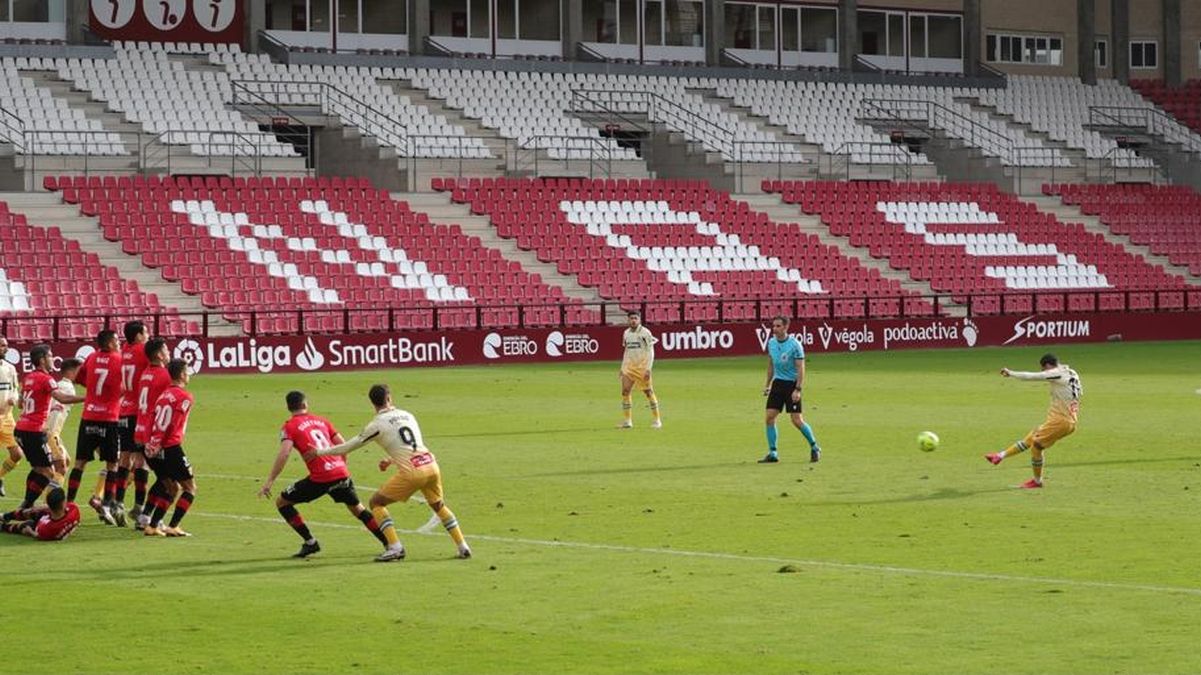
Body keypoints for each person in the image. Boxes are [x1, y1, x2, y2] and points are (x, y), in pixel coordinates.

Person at [313, 384, 471, 562]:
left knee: (376, 502)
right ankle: (462, 546)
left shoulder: (377, 425)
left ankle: (395, 547)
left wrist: (319, 452)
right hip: (431, 464)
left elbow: (349, 446)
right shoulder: (408, 415)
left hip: (412, 472)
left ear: (372, 403)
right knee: (438, 506)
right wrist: (390, 460)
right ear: (389, 398)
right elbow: (411, 446)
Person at [257, 390, 389, 558]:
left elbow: (284, 454)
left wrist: (269, 481)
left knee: (282, 502)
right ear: (305, 404)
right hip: (340, 472)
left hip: (320, 479)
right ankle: (388, 543)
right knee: (357, 509)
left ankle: (311, 543)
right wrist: (340, 465)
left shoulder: (289, 426)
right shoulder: (322, 421)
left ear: (288, 407)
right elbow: (343, 444)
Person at [985, 353, 1082, 489]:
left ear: (1047, 366)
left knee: (1036, 446)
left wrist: (1011, 373)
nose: (1044, 373)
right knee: (1032, 436)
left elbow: (1031, 376)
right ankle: (1000, 456)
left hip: (1061, 421)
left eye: (1043, 369)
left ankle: (1037, 481)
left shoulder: (1057, 373)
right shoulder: (1072, 373)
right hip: (1066, 420)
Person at [13, 345, 84, 509]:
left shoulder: (28, 377)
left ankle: (26, 503)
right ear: (42, 360)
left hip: (21, 428)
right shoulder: (47, 379)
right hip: (34, 431)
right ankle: (26, 506)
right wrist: (87, 398)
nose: (53, 359)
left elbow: (20, 403)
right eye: (50, 356)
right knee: (48, 472)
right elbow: (62, 398)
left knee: (38, 468)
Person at [67, 330, 125, 526]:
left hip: (89, 415)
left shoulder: (91, 357)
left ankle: (69, 503)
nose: (119, 342)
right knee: (112, 464)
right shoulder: (119, 359)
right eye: (116, 340)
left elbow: (78, 378)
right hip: (109, 418)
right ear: (109, 343)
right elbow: (127, 386)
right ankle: (107, 504)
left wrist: (93, 392)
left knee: (79, 463)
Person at [142, 359, 196, 537]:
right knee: (190, 488)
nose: (188, 374)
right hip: (170, 447)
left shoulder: (163, 395)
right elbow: (173, 423)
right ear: (181, 374)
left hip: (153, 447)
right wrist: (162, 442)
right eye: (187, 371)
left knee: (171, 488)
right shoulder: (185, 397)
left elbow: (152, 419)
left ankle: (152, 526)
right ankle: (173, 525)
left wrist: (151, 442)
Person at [759, 316, 821, 464]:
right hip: (778, 384)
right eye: (773, 326)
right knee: (769, 418)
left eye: (778, 326)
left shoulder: (795, 345)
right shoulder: (772, 343)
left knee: (796, 420)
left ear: (786, 327)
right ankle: (773, 452)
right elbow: (771, 365)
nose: (774, 329)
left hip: (792, 385)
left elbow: (801, 368)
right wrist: (768, 384)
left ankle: (815, 447)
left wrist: (798, 389)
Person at [133, 339, 173, 531]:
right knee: (169, 478)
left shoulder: (145, 374)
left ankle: (145, 514)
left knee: (163, 475)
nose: (169, 352)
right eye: (166, 349)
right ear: (158, 354)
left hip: (140, 431)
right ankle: (149, 517)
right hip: (154, 434)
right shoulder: (165, 376)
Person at [113, 321, 150, 525]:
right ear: (137, 336)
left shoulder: (125, 349)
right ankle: (139, 507)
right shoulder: (143, 350)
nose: (148, 335)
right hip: (139, 411)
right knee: (141, 461)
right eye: (145, 332)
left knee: (124, 458)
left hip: (123, 408)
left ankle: (118, 502)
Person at [618, 311, 661, 429]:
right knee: (625, 392)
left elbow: (650, 351)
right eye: (631, 318)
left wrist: (648, 368)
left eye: (635, 318)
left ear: (639, 320)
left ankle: (657, 420)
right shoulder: (626, 333)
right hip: (629, 367)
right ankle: (628, 421)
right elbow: (626, 351)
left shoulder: (645, 333)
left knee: (648, 392)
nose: (633, 320)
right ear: (628, 320)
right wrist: (623, 367)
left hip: (642, 367)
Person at [44, 357, 83, 483]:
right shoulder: (66, 387)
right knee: (60, 466)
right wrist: (88, 398)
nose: (81, 375)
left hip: (51, 432)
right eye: (79, 371)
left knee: (65, 461)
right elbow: (63, 401)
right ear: (71, 372)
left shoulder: (59, 385)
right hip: (50, 432)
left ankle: (48, 498)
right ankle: (48, 501)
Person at [1, 487, 81, 541]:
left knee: (24, 526)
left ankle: (3, 526)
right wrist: (37, 508)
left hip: (44, 525)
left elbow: (38, 536)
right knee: (31, 512)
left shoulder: (46, 529)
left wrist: (30, 532)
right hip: (53, 518)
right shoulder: (74, 509)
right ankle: (4, 517)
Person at [0, 336, 20, 497]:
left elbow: (15, 388)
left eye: (6, 345)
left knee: (17, 454)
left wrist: (14, 397)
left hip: (7, 418)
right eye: (1, 345)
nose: (5, 348)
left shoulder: (10, 368)